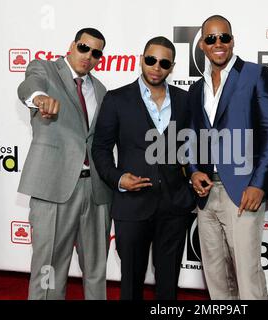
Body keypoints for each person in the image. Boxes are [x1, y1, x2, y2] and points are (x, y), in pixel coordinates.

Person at [92, 36, 195, 300]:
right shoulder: (117, 99)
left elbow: (194, 147)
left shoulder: (185, 101)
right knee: (131, 282)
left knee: (169, 282)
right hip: (132, 205)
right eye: (151, 60)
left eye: (164, 62)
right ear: (141, 59)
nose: (156, 67)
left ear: (172, 67)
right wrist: (118, 179)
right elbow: (100, 149)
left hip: (174, 205)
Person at [187, 15, 268, 300]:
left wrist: (259, 183)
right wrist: (192, 171)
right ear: (202, 45)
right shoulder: (197, 87)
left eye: (224, 37)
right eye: (211, 38)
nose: (218, 43)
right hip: (205, 195)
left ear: (232, 40)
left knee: (247, 277)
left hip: (243, 191)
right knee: (216, 277)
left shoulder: (256, 74)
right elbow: (191, 136)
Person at [17, 28, 112, 300]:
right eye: (84, 47)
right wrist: (39, 99)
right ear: (72, 45)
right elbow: (29, 85)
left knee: (96, 269)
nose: (89, 56)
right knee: (49, 268)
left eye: (96, 53)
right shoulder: (44, 69)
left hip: (95, 191)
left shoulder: (101, 89)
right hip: (53, 188)